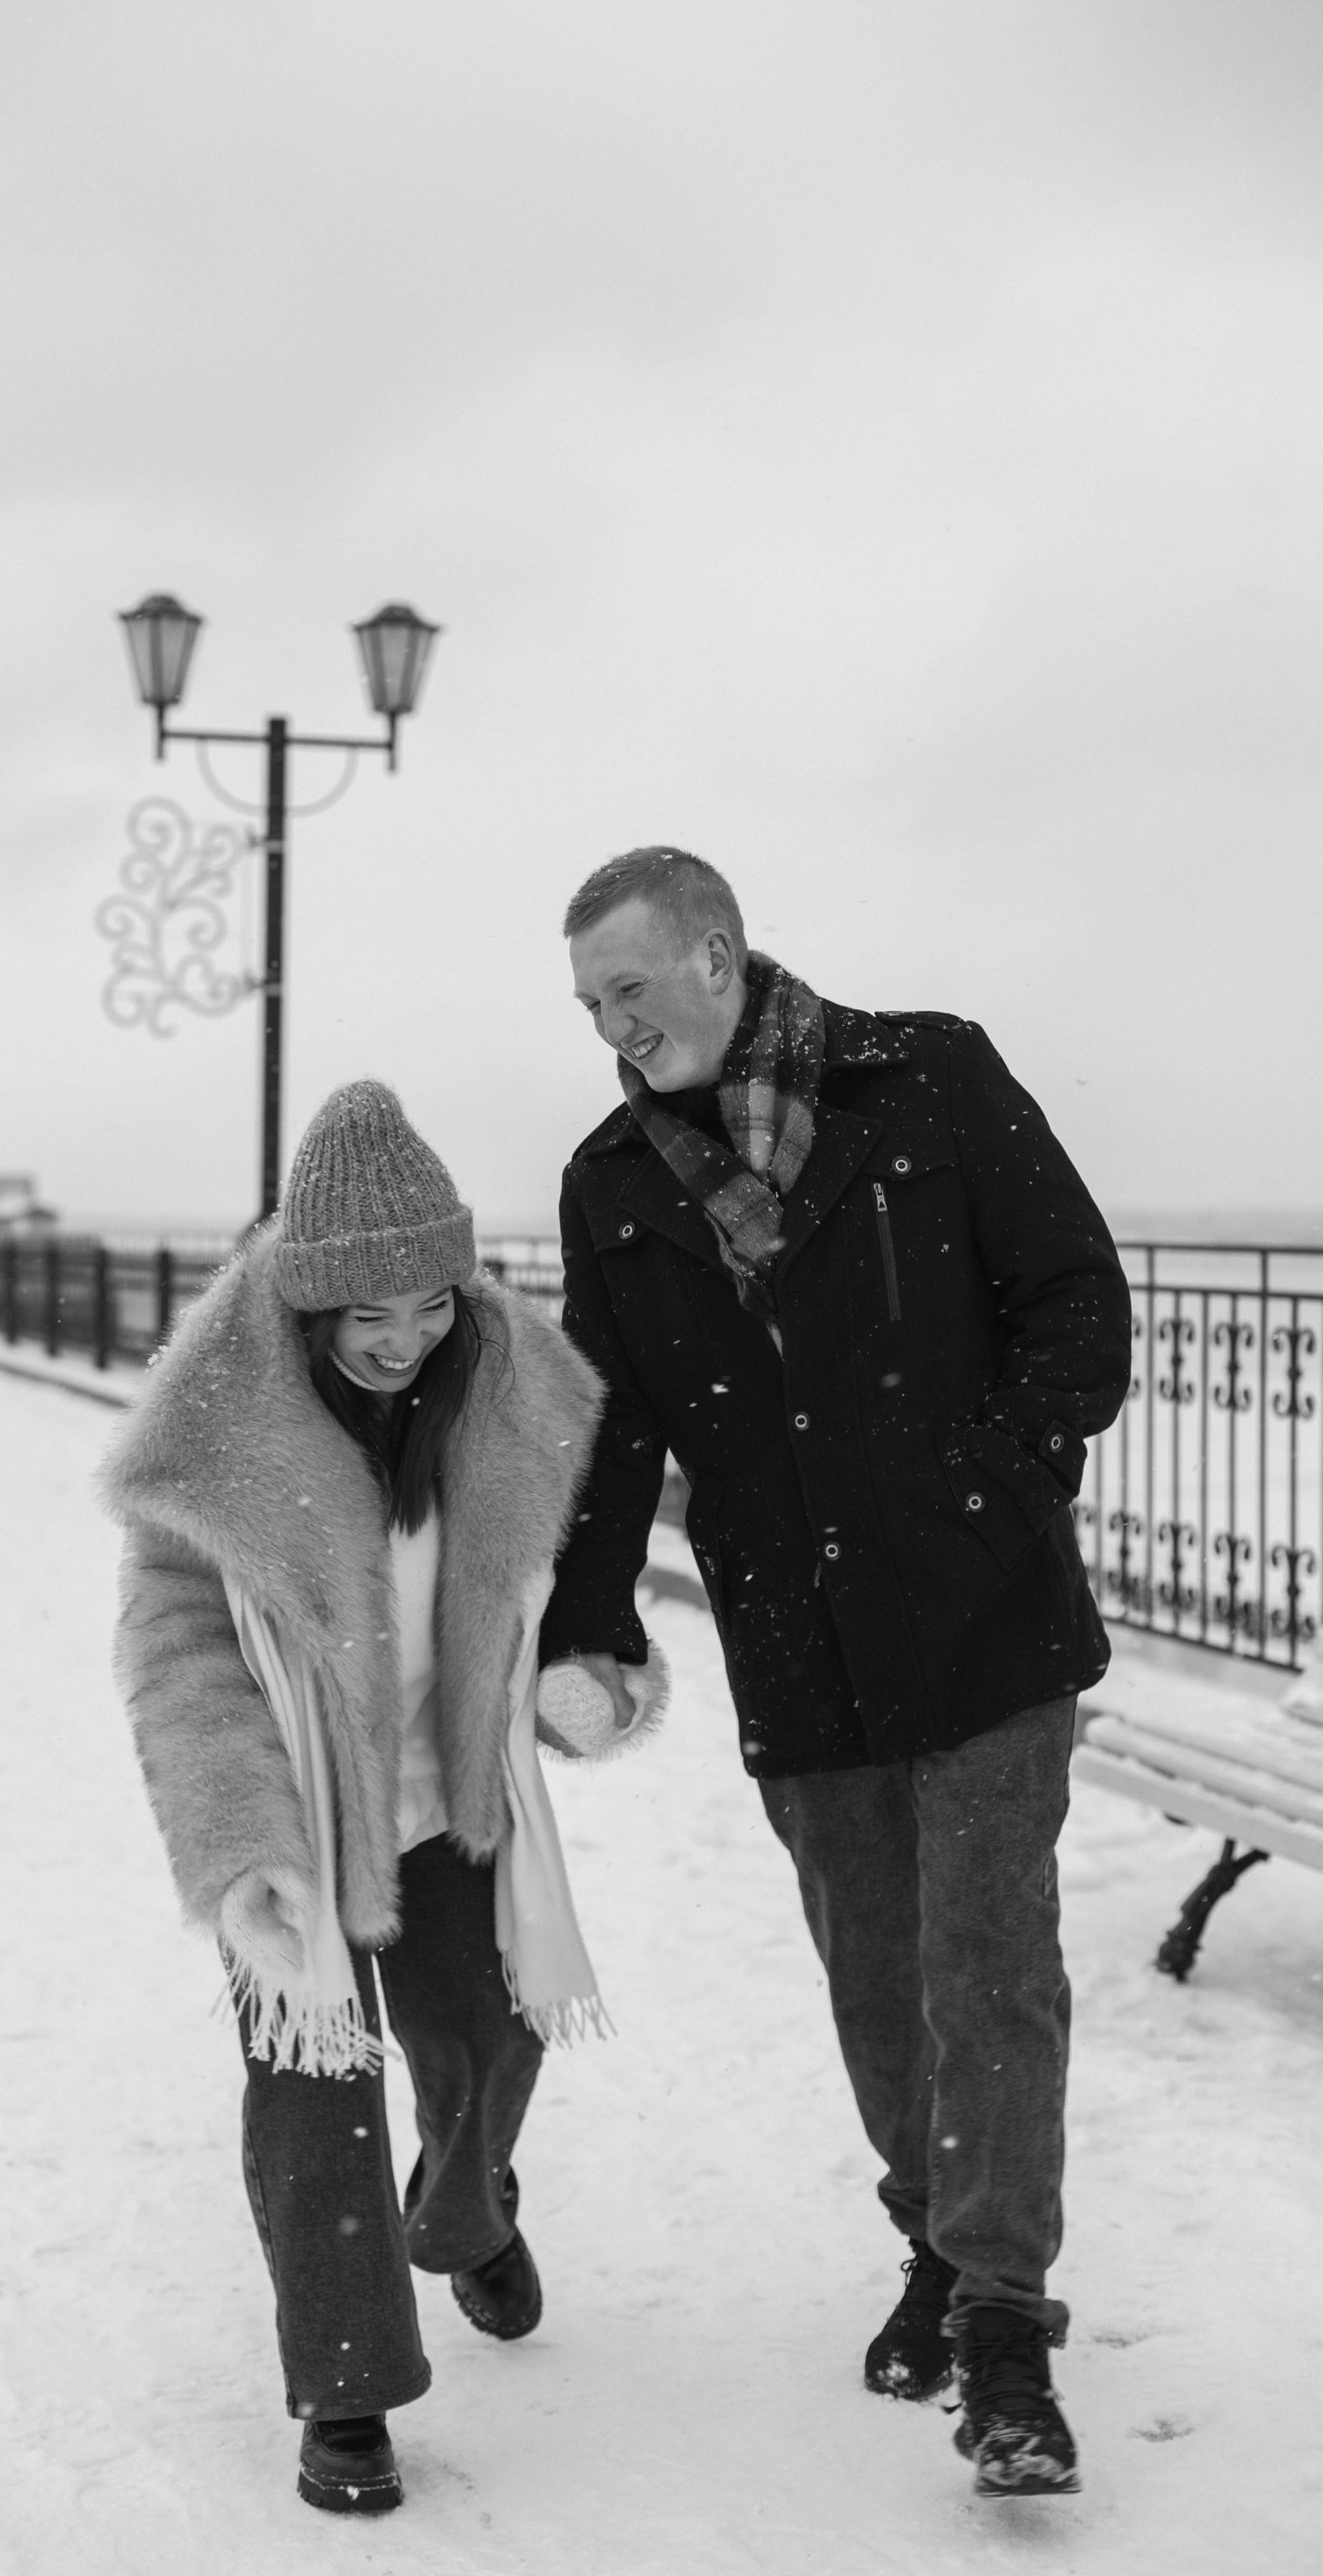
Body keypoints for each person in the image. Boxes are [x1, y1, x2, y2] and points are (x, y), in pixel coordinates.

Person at [539, 846, 1132, 2500]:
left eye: (630, 991)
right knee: (872, 1970)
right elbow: (609, 1423)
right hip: (796, 1643)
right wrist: (589, 1620)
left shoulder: (927, 1077)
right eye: (589, 1004)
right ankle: (933, 2241)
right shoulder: (614, 1182)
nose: (609, 1024)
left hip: (987, 1617)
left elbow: (1074, 1306)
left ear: (716, 956)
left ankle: (1003, 2324)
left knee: (988, 1961)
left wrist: (989, 1489)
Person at [100, 1080, 643, 2516]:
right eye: (366, 1318)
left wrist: (591, 1679)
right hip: (295, 1812)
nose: (404, 1341)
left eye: (428, 1307)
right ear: (306, 1314)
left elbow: (579, 1587)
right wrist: (238, 1848)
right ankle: (346, 2391)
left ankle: (464, 2212)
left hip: (453, 1794)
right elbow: (175, 1656)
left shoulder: (510, 1394)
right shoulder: (218, 1440)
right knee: (312, 2094)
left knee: (492, 2038)